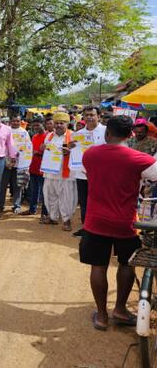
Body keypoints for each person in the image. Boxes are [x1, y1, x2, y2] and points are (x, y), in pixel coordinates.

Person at [79, 115, 157, 330]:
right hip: (126, 223)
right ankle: (120, 310)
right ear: (130, 134)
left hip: (96, 221)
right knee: (126, 264)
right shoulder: (140, 159)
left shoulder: (90, 154)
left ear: (107, 132)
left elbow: (89, 175)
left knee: (98, 266)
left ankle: (102, 316)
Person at [70, 106, 106, 237]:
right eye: (86, 115)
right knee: (84, 202)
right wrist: (70, 148)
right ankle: (86, 228)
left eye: (92, 115)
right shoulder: (77, 134)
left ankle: (100, 229)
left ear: (99, 116)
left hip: (100, 175)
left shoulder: (107, 131)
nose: (89, 117)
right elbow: (74, 152)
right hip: (82, 174)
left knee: (100, 202)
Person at [41, 112, 77, 231]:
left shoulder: (73, 136)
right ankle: (53, 217)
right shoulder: (49, 136)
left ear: (67, 124)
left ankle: (66, 220)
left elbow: (79, 153)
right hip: (50, 172)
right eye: (56, 123)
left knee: (66, 197)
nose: (59, 125)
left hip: (65, 173)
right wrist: (43, 148)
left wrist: (70, 151)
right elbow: (46, 150)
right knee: (50, 195)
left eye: (62, 123)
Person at [0, 115, 30, 214]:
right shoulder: (6, 131)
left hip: (19, 164)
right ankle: (0, 205)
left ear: (20, 122)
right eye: (14, 121)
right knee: (2, 185)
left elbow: (27, 148)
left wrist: (23, 160)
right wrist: (6, 161)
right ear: (10, 121)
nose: (15, 123)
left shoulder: (24, 132)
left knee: (17, 186)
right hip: (6, 163)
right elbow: (1, 146)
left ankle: (17, 205)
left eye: (17, 121)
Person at [21, 118, 49, 221]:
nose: (36, 127)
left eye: (38, 125)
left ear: (43, 124)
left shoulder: (48, 137)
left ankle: (44, 213)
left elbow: (50, 152)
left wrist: (40, 153)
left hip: (43, 168)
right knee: (34, 190)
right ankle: (32, 209)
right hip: (33, 167)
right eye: (34, 125)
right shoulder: (34, 137)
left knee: (44, 192)